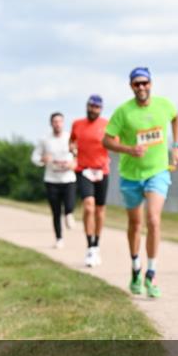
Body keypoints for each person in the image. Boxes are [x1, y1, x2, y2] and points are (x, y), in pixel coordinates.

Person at [102, 67, 178, 298]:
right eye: (137, 84)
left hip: (157, 172)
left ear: (151, 84)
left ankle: (152, 273)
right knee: (135, 224)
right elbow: (106, 140)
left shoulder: (164, 105)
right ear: (131, 86)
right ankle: (136, 267)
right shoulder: (123, 112)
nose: (141, 87)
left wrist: (176, 148)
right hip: (130, 175)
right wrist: (128, 149)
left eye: (144, 83)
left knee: (153, 220)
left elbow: (176, 117)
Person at [70, 95, 111, 267]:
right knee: (88, 205)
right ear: (87, 107)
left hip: (101, 171)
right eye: (91, 106)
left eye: (96, 107)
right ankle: (90, 245)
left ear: (100, 109)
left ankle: (97, 243)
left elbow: (114, 143)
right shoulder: (77, 124)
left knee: (100, 210)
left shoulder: (106, 124)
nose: (93, 109)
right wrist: (72, 149)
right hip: (84, 170)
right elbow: (72, 140)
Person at [31, 112, 77, 249]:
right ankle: (59, 238)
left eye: (60, 121)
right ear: (51, 123)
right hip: (52, 179)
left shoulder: (70, 138)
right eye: (55, 121)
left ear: (63, 123)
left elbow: (79, 154)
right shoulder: (45, 140)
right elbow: (34, 157)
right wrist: (42, 160)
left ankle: (69, 214)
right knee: (55, 211)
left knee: (69, 204)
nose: (57, 124)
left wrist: (74, 163)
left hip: (68, 178)